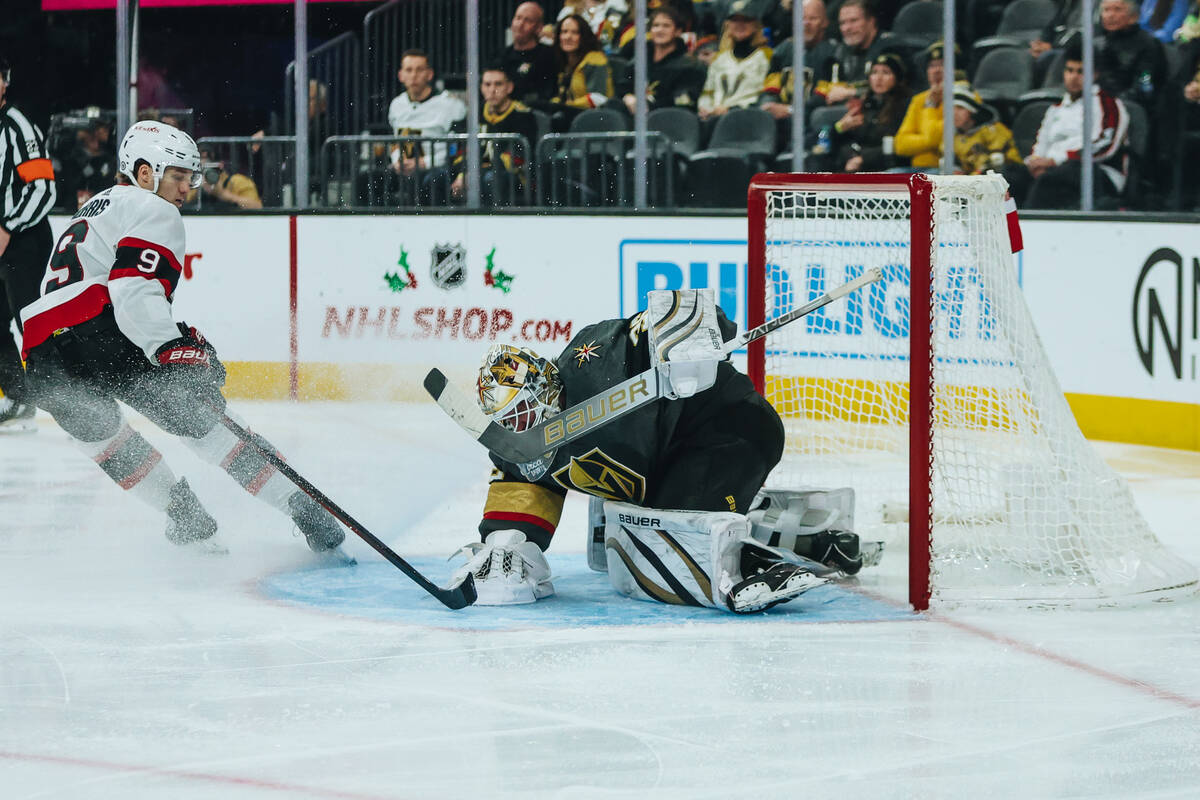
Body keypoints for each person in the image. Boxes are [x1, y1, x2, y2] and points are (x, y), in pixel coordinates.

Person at [18, 121, 349, 556]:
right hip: (96, 332)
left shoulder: (94, 207)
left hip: (41, 350)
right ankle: (304, 508)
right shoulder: (153, 209)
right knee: (207, 426)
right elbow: (133, 288)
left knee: (106, 442)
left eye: (191, 177)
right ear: (144, 173)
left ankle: (185, 516)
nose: (187, 188)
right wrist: (171, 348)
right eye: (177, 175)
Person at [446, 290, 876, 613]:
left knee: (673, 534)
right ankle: (820, 543)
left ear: (546, 386)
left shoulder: (589, 359)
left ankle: (751, 566)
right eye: (509, 419)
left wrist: (688, 342)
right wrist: (508, 546)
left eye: (524, 411)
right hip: (667, 472)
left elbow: (682, 310)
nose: (521, 426)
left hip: (729, 433)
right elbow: (519, 491)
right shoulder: (520, 447)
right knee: (638, 533)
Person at [0, 56, 56, 430]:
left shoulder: (17, 126)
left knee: (33, 322)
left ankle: (76, 403)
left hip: (24, 238)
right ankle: (21, 400)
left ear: (4, 81)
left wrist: (8, 227)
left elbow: (44, 189)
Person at [1022, 42, 1130, 209]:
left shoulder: (1108, 105)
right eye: (1069, 70)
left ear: (1094, 75)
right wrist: (1035, 162)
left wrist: (1055, 161)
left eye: (1081, 72)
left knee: (1055, 177)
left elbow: (1104, 145)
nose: (1074, 77)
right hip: (1053, 170)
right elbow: (1041, 143)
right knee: (1009, 177)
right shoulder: (1055, 109)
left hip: (1097, 172)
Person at [386, 49, 468, 205]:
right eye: (409, 70)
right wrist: (398, 161)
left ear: (429, 74)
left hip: (438, 167)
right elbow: (396, 141)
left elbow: (456, 147)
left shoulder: (450, 105)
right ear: (401, 75)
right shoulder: (396, 104)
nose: (414, 75)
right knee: (367, 178)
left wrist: (425, 162)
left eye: (419, 70)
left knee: (426, 180)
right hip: (404, 166)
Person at [449, 66, 539, 206]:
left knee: (490, 178)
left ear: (509, 87)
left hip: (512, 178)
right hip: (474, 174)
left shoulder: (523, 115)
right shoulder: (474, 114)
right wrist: (463, 174)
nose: (492, 90)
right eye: (487, 84)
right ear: (481, 88)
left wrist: (474, 174)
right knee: (437, 176)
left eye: (498, 84)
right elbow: (461, 152)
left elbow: (515, 159)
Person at [824, 52, 912, 173]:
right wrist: (840, 128)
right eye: (874, 72)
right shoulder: (866, 103)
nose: (878, 78)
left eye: (886, 72)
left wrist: (863, 159)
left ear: (897, 78)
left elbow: (896, 146)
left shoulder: (906, 106)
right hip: (856, 165)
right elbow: (846, 141)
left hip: (886, 168)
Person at [759, 0, 837, 124]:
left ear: (825, 22)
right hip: (778, 118)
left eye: (813, 18)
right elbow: (770, 88)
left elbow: (823, 97)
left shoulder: (832, 54)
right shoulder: (782, 50)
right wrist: (767, 105)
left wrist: (792, 110)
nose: (806, 23)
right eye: (802, 18)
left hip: (809, 121)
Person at [619, 7, 707, 114]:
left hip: (666, 117)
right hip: (632, 113)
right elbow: (623, 86)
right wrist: (628, 97)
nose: (660, 30)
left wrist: (648, 106)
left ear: (678, 31)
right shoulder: (639, 59)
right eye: (656, 25)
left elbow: (683, 99)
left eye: (666, 26)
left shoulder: (690, 64)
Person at [697, 4, 773, 122]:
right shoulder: (720, 58)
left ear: (756, 25)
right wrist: (705, 108)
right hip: (714, 118)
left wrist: (731, 109)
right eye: (734, 20)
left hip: (747, 117)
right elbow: (707, 92)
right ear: (727, 25)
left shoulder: (767, 56)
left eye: (746, 20)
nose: (739, 25)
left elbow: (763, 95)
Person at [893, 41, 957, 170]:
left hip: (944, 169)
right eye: (932, 66)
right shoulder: (919, 99)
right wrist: (929, 142)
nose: (936, 71)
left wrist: (930, 105)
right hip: (917, 169)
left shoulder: (961, 96)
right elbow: (900, 144)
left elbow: (936, 137)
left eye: (942, 65)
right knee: (888, 176)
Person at [820, 0, 894, 106]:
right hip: (847, 108)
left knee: (821, 116)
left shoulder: (889, 48)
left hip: (878, 110)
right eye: (842, 23)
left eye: (853, 21)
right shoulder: (841, 51)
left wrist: (852, 93)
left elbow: (892, 91)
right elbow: (825, 88)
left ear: (871, 21)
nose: (847, 28)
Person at [1098, 0, 1169, 109]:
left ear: (1134, 16)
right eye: (1106, 10)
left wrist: (1117, 103)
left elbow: (1145, 81)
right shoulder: (1098, 44)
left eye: (1118, 9)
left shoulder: (1148, 44)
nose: (1110, 15)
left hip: (1134, 106)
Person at [550, 14, 615, 128]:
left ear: (584, 36)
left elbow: (598, 98)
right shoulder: (565, 63)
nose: (568, 37)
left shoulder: (595, 59)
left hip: (597, 122)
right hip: (573, 119)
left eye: (575, 32)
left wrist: (566, 106)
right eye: (564, 32)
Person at [946, 85, 1022, 175]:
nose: (955, 113)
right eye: (952, 109)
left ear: (972, 111)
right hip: (976, 178)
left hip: (1009, 173)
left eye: (960, 108)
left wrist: (970, 178)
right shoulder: (953, 136)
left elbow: (996, 161)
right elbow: (952, 162)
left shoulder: (993, 129)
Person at [502, 2, 558, 106]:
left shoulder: (548, 56)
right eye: (518, 18)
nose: (520, 24)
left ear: (539, 28)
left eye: (528, 20)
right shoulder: (502, 56)